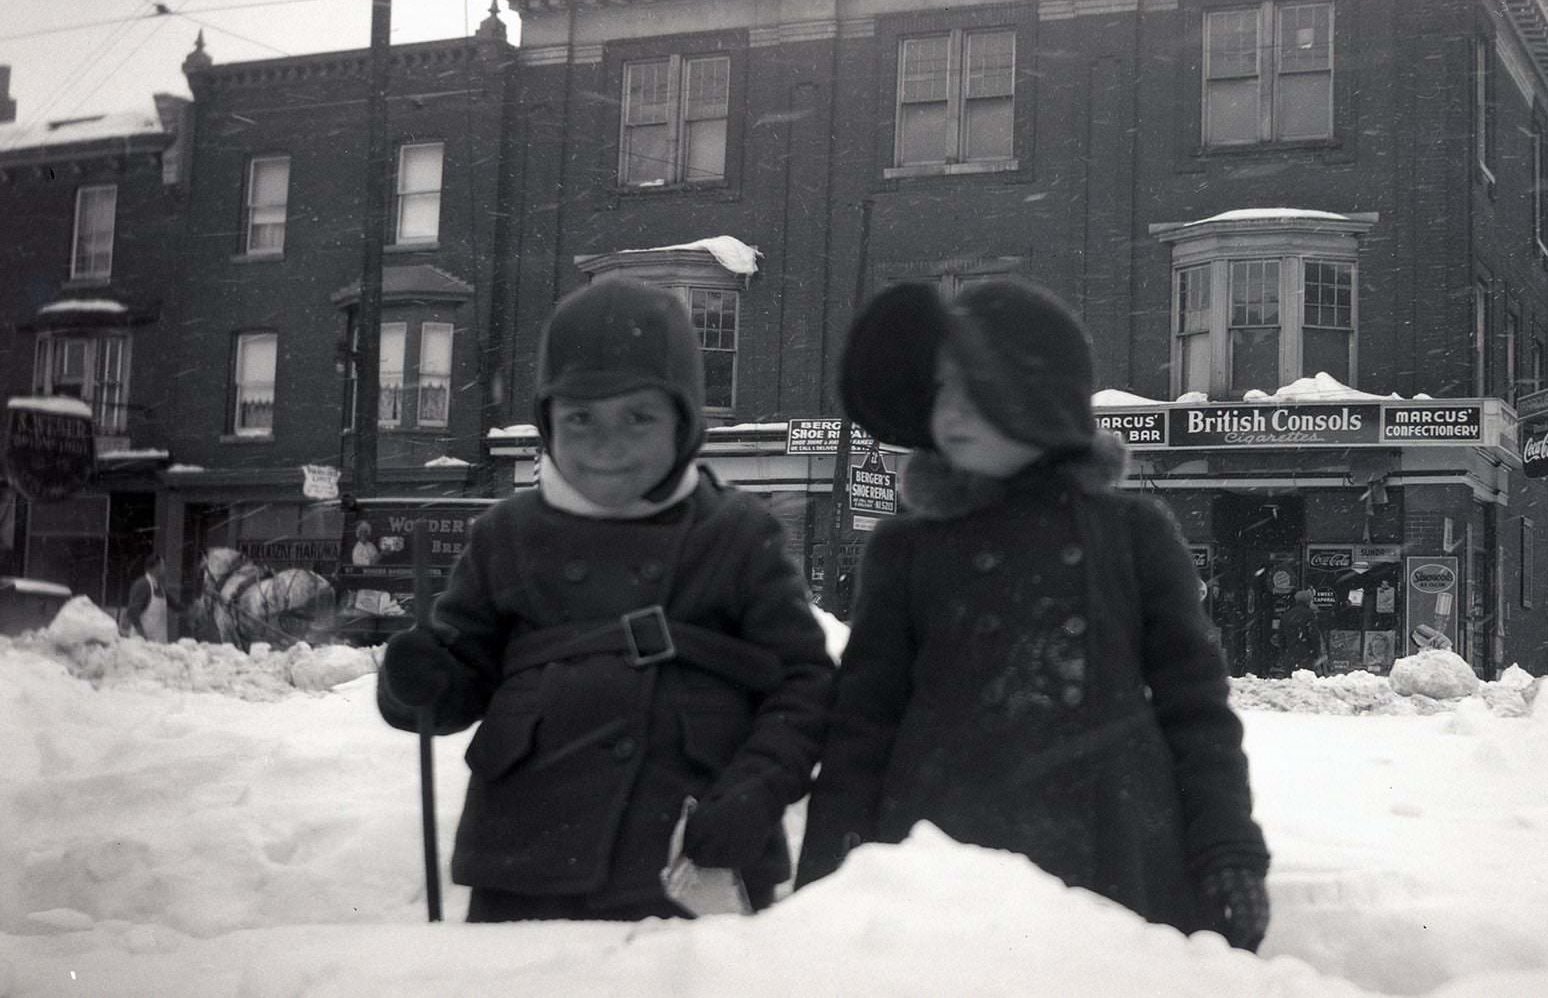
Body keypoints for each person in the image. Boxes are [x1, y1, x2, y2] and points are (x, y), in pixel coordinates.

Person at [796, 279, 1271, 952]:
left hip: (1117, 864)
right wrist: (831, 872)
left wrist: (1228, 853)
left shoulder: (1133, 534)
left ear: (1041, 397)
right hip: (938, 863)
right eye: (940, 390)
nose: (951, 412)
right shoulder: (906, 548)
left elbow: (1196, 715)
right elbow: (862, 725)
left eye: (975, 389)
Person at [376, 274, 834, 923]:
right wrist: (416, 682)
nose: (606, 443)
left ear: (685, 423)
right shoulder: (506, 536)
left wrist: (755, 794)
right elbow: (456, 685)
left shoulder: (737, 537)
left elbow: (804, 687)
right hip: (525, 872)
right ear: (547, 422)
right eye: (580, 417)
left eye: (638, 416)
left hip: (691, 865)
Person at [122, 551, 172, 641]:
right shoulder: (143, 585)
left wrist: (189, 608)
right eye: (163, 565)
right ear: (156, 567)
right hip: (142, 644)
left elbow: (173, 604)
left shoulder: (159, 587)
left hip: (159, 641)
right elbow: (132, 613)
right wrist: (142, 636)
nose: (165, 569)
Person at [1277, 588, 1328, 676]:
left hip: (1290, 653)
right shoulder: (1309, 614)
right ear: (1308, 601)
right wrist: (1317, 652)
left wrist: (1284, 652)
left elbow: (1281, 637)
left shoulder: (1286, 615)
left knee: (1291, 679)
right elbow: (1313, 635)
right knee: (1305, 679)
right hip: (1306, 653)